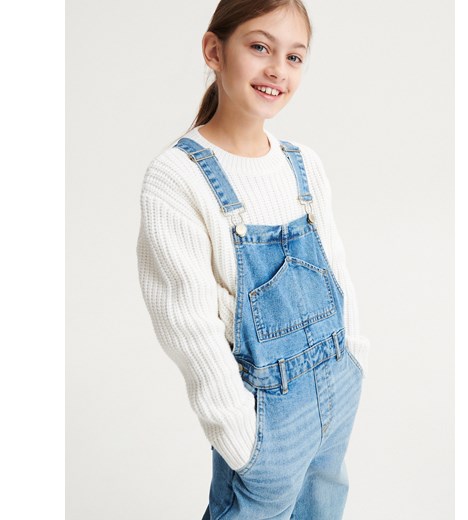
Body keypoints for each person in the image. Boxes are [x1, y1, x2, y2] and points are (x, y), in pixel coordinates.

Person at [136, 1, 371, 518]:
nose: (277, 70)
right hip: (265, 427)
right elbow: (187, 324)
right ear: (214, 51)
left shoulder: (303, 164)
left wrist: (353, 360)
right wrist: (244, 440)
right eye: (260, 47)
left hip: (336, 397)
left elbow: (337, 271)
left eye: (294, 57)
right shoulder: (178, 178)